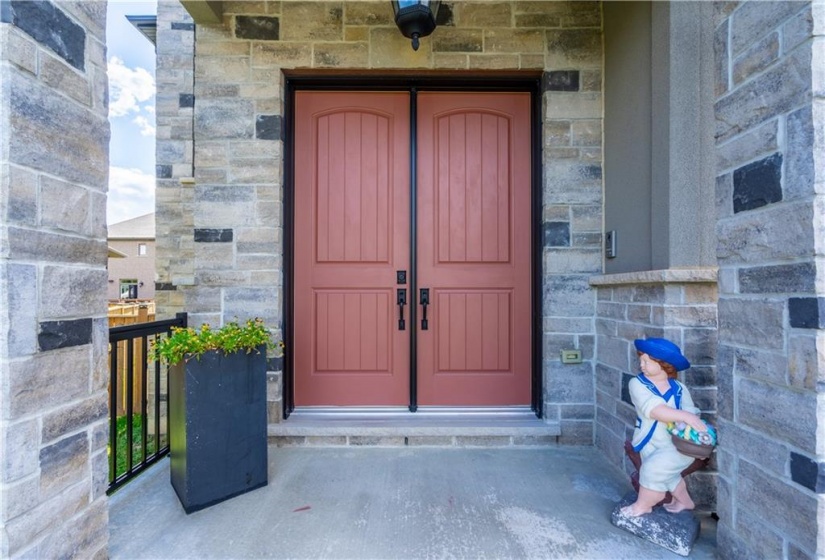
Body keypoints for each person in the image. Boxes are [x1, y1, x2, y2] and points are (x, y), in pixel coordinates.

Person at [621, 338, 707, 517]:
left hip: (678, 444)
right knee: (668, 474)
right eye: (641, 361)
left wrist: (688, 416)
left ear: (664, 365)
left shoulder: (679, 388)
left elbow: (690, 411)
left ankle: (643, 506)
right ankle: (684, 501)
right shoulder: (637, 384)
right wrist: (684, 416)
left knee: (652, 470)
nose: (642, 365)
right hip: (649, 440)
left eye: (647, 361)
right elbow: (655, 410)